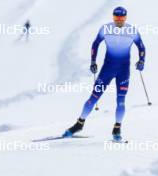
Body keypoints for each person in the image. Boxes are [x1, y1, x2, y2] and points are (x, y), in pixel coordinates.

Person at [62, 7, 146, 141]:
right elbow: (95, 44)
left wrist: (142, 61)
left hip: (123, 72)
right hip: (107, 70)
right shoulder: (106, 29)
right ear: (113, 17)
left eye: (122, 18)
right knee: (93, 98)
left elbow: (141, 47)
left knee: (121, 102)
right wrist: (93, 61)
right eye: (116, 18)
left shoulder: (132, 31)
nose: (119, 21)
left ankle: (117, 128)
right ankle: (79, 124)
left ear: (125, 18)